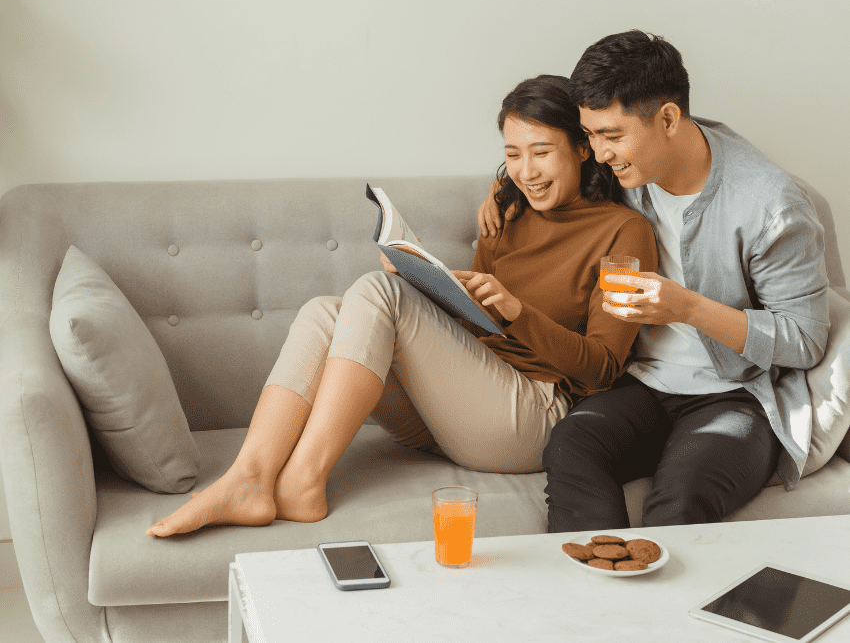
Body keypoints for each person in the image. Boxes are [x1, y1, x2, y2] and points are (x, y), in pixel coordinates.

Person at [147, 74, 656, 537]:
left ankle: (303, 480)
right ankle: (248, 478)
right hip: (457, 411)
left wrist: (519, 313)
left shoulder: (622, 231)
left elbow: (602, 371)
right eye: (513, 154)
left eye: (541, 152)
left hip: (533, 416)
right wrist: (431, 287)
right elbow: (477, 328)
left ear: (584, 148)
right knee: (326, 311)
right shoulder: (508, 211)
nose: (527, 170)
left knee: (376, 292)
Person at [477, 31, 831, 532]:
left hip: (731, 395)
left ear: (668, 118)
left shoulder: (771, 206)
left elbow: (806, 339)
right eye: (591, 135)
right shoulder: (624, 175)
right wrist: (503, 189)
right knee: (572, 446)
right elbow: (546, 168)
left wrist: (687, 308)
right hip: (640, 385)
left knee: (680, 501)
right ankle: (591, 592)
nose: (598, 154)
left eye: (612, 136)